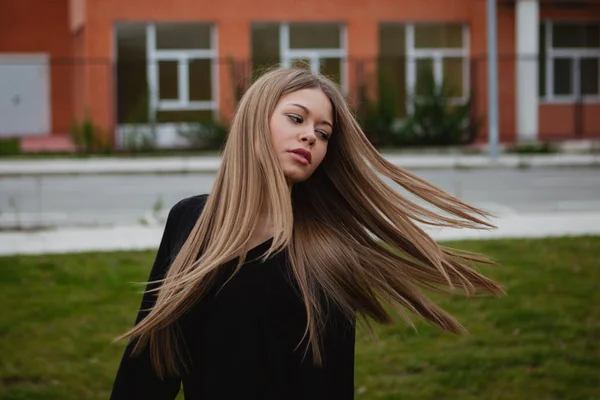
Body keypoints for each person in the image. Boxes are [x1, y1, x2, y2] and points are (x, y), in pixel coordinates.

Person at [109, 67, 503, 400]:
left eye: (324, 133)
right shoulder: (189, 220)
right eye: (297, 119)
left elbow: (332, 385)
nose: (311, 137)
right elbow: (151, 364)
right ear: (255, 119)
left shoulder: (326, 250)